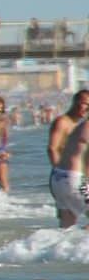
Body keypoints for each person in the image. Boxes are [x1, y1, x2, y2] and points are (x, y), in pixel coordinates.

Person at [45, 89, 89, 229]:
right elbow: (52, 148)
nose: (86, 107)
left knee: (66, 227)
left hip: (61, 178)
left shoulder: (80, 125)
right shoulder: (63, 122)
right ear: (75, 102)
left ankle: (57, 250)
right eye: (83, 103)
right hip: (71, 176)